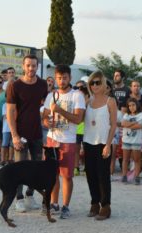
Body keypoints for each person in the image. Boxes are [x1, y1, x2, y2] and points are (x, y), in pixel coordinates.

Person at [42, 64, 86, 219]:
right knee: (51, 174)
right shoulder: (51, 95)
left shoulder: (77, 95)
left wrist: (60, 110)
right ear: (55, 78)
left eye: (64, 78)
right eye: (59, 78)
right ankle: (54, 203)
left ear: (70, 78)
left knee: (67, 175)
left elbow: (78, 119)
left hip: (68, 140)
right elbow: (44, 117)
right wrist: (47, 123)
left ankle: (66, 206)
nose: (61, 81)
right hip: (52, 139)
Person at [7, 55, 47, 212]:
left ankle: (30, 195)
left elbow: (46, 107)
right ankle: (19, 198)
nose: (31, 68)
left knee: (36, 168)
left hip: (37, 133)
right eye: (28, 65)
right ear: (23, 66)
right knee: (20, 168)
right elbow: (10, 111)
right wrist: (14, 135)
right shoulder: (14, 86)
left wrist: (46, 120)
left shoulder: (43, 85)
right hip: (20, 133)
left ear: (38, 67)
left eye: (34, 65)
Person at [83, 71, 117, 220]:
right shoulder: (87, 101)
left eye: (97, 82)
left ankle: (106, 206)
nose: (94, 85)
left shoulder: (110, 101)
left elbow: (114, 125)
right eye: (92, 83)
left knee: (103, 176)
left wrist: (108, 145)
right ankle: (94, 203)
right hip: (88, 141)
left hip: (103, 142)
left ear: (103, 83)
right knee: (90, 175)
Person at [120, 98, 142, 185]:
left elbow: (139, 126)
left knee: (137, 160)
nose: (131, 107)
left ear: (137, 105)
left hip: (136, 141)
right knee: (125, 159)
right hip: (126, 140)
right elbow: (123, 124)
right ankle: (124, 176)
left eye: (133, 105)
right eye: (129, 106)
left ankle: (137, 177)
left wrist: (129, 124)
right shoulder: (126, 115)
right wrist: (133, 123)